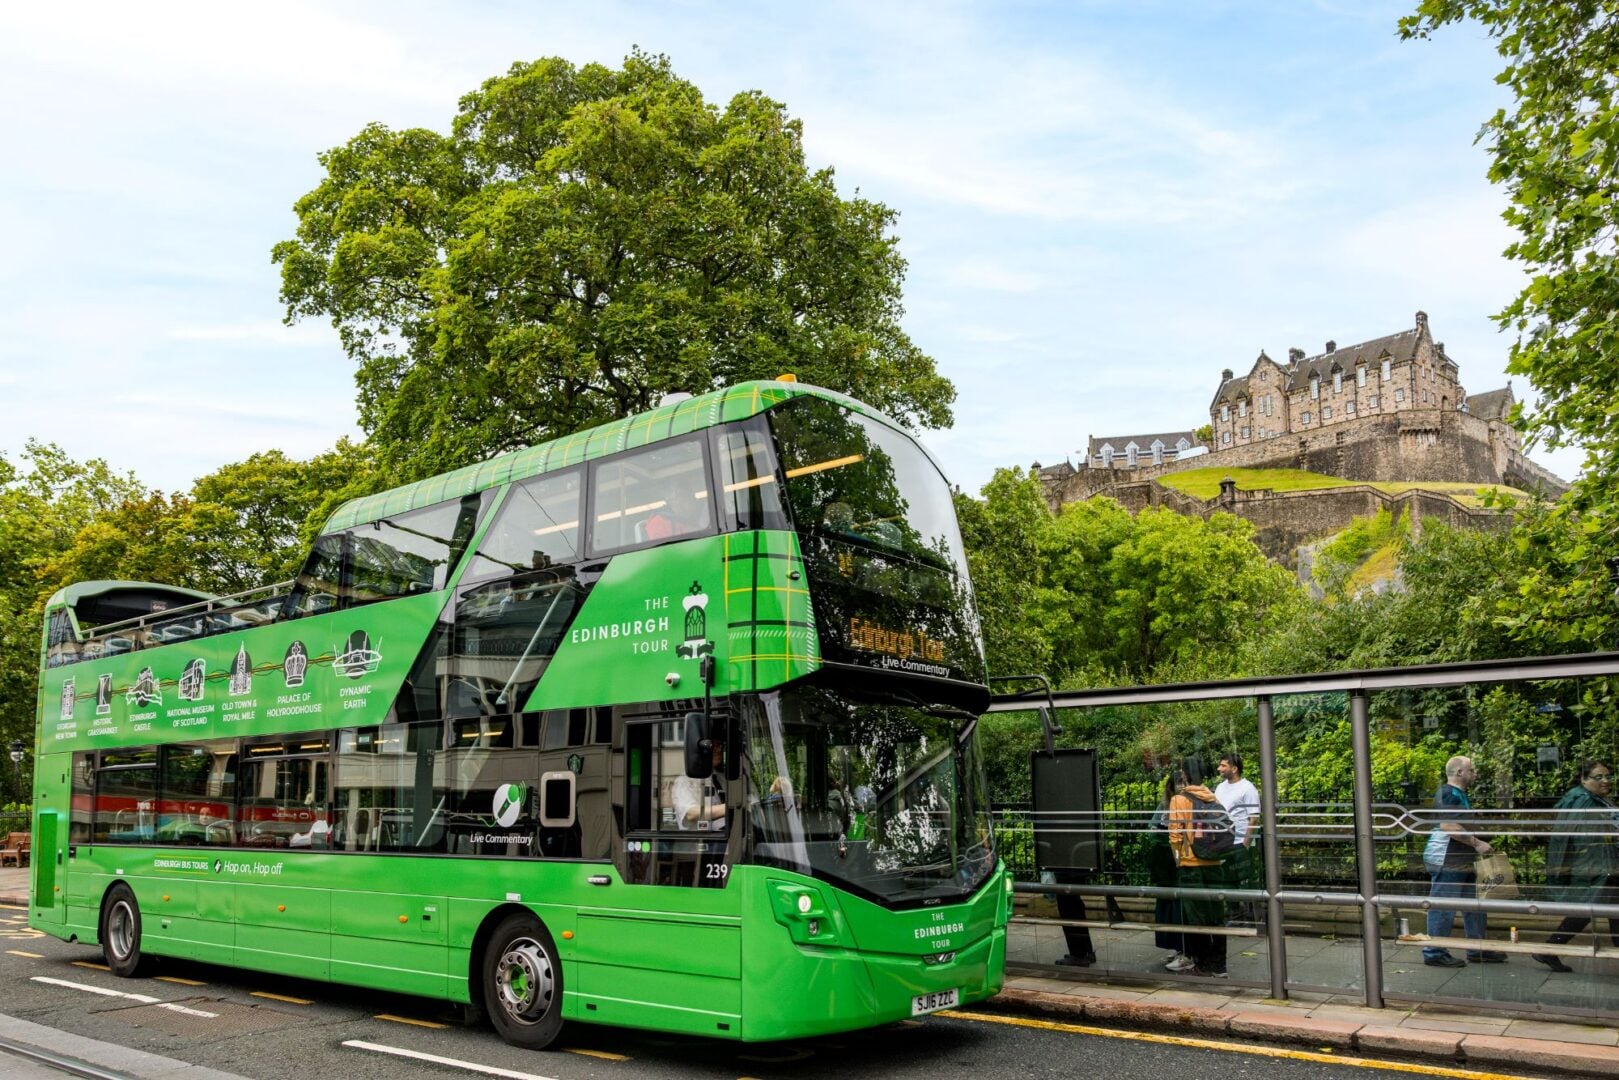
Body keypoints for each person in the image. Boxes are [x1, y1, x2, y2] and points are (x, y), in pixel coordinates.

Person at [1533, 759, 1617, 973]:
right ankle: (1549, 948)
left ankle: (1549, 949)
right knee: (1586, 910)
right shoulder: (1585, 802)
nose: (1606, 781)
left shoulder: (1590, 799)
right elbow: (1585, 838)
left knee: (1605, 909)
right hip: (1596, 866)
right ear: (1584, 779)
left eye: (1608, 776)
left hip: (1601, 865)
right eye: (1599, 777)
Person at [1422, 755, 1505, 967]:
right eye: (1472, 770)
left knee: (1474, 904)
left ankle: (1477, 949)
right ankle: (1434, 952)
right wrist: (1478, 843)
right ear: (1459, 772)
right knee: (1443, 905)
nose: (1475, 774)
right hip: (1448, 857)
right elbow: (1449, 827)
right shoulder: (1449, 794)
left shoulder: (1457, 794)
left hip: (1461, 857)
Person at [1168, 755, 1228, 977]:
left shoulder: (1179, 800)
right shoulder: (1213, 798)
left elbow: (1175, 835)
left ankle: (1203, 963)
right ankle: (1219, 965)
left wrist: (1177, 859)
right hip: (1215, 862)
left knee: (1195, 916)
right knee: (1216, 915)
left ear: (1184, 775)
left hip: (1191, 863)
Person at [1216, 751, 1262, 923]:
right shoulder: (1220, 787)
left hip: (1239, 841)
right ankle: (1236, 915)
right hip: (1223, 841)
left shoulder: (1247, 789)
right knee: (1227, 880)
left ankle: (1251, 918)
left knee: (1244, 880)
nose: (1219, 768)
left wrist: (1245, 844)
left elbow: (1254, 818)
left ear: (1234, 769)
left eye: (1223, 765)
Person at [1151, 771, 1189, 972]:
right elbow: (1152, 828)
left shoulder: (1189, 805)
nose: (1181, 786)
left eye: (1184, 782)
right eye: (1178, 783)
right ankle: (1176, 946)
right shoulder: (1164, 806)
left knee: (1179, 905)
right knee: (1167, 905)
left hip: (1181, 860)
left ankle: (1185, 948)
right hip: (1165, 862)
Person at [672, 741, 728, 831]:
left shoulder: (722, 779)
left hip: (725, 838)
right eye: (713, 746)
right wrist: (728, 808)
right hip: (698, 842)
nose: (719, 750)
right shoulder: (685, 781)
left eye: (720, 746)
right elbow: (691, 814)